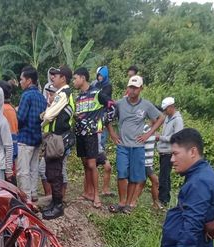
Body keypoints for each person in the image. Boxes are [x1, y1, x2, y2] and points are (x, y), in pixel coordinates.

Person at [106, 75, 165, 213]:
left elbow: (161, 118)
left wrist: (148, 134)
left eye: (135, 88)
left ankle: (128, 204)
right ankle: (121, 202)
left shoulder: (146, 105)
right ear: (127, 88)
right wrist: (112, 134)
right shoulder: (119, 103)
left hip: (138, 147)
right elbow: (107, 118)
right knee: (122, 174)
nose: (132, 90)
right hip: (123, 146)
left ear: (141, 89)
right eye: (130, 87)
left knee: (134, 177)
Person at [73, 67, 110, 208]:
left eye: (75, 78)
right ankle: (87, 192)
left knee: (92, 164)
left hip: (92, 133)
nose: (74, 81)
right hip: (79, 134)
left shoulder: (97, 93)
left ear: (83, 78)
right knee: (84, 164)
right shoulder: (77, 97)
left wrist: (101, 122)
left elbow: (111, 106)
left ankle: (96, 195)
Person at [40, 66, 75, 220]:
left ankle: (58, 206)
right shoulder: (61, 94)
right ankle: (54, 202)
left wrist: (45, 117)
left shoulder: (63, 94)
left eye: (56, 75)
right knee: (51, 170)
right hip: (55, 137)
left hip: (58, 138)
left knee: (55, 171)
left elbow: (49, 114)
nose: (53, 77)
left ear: (64, 78)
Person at [16, 66, 47, 202]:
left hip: (25, 137)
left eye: (21, 79)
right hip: (37, 138)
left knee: (23, 170)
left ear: (29, 80)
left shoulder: (26, 96)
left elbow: (21, 118)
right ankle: (34, 194)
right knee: (33, 168)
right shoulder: (41, 97)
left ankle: (26, 198)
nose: (20, 82)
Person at [155, 97, 184, 206]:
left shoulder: (177, 120)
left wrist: (161, 138)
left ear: (171, 107)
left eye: (166, 109)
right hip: (163, 151)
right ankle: (165, 197)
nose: (165, 111)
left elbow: (177, 137)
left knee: (163, 177)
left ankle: (163, 200)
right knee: (165, 176)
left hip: (169, 152)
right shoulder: (167, 118)